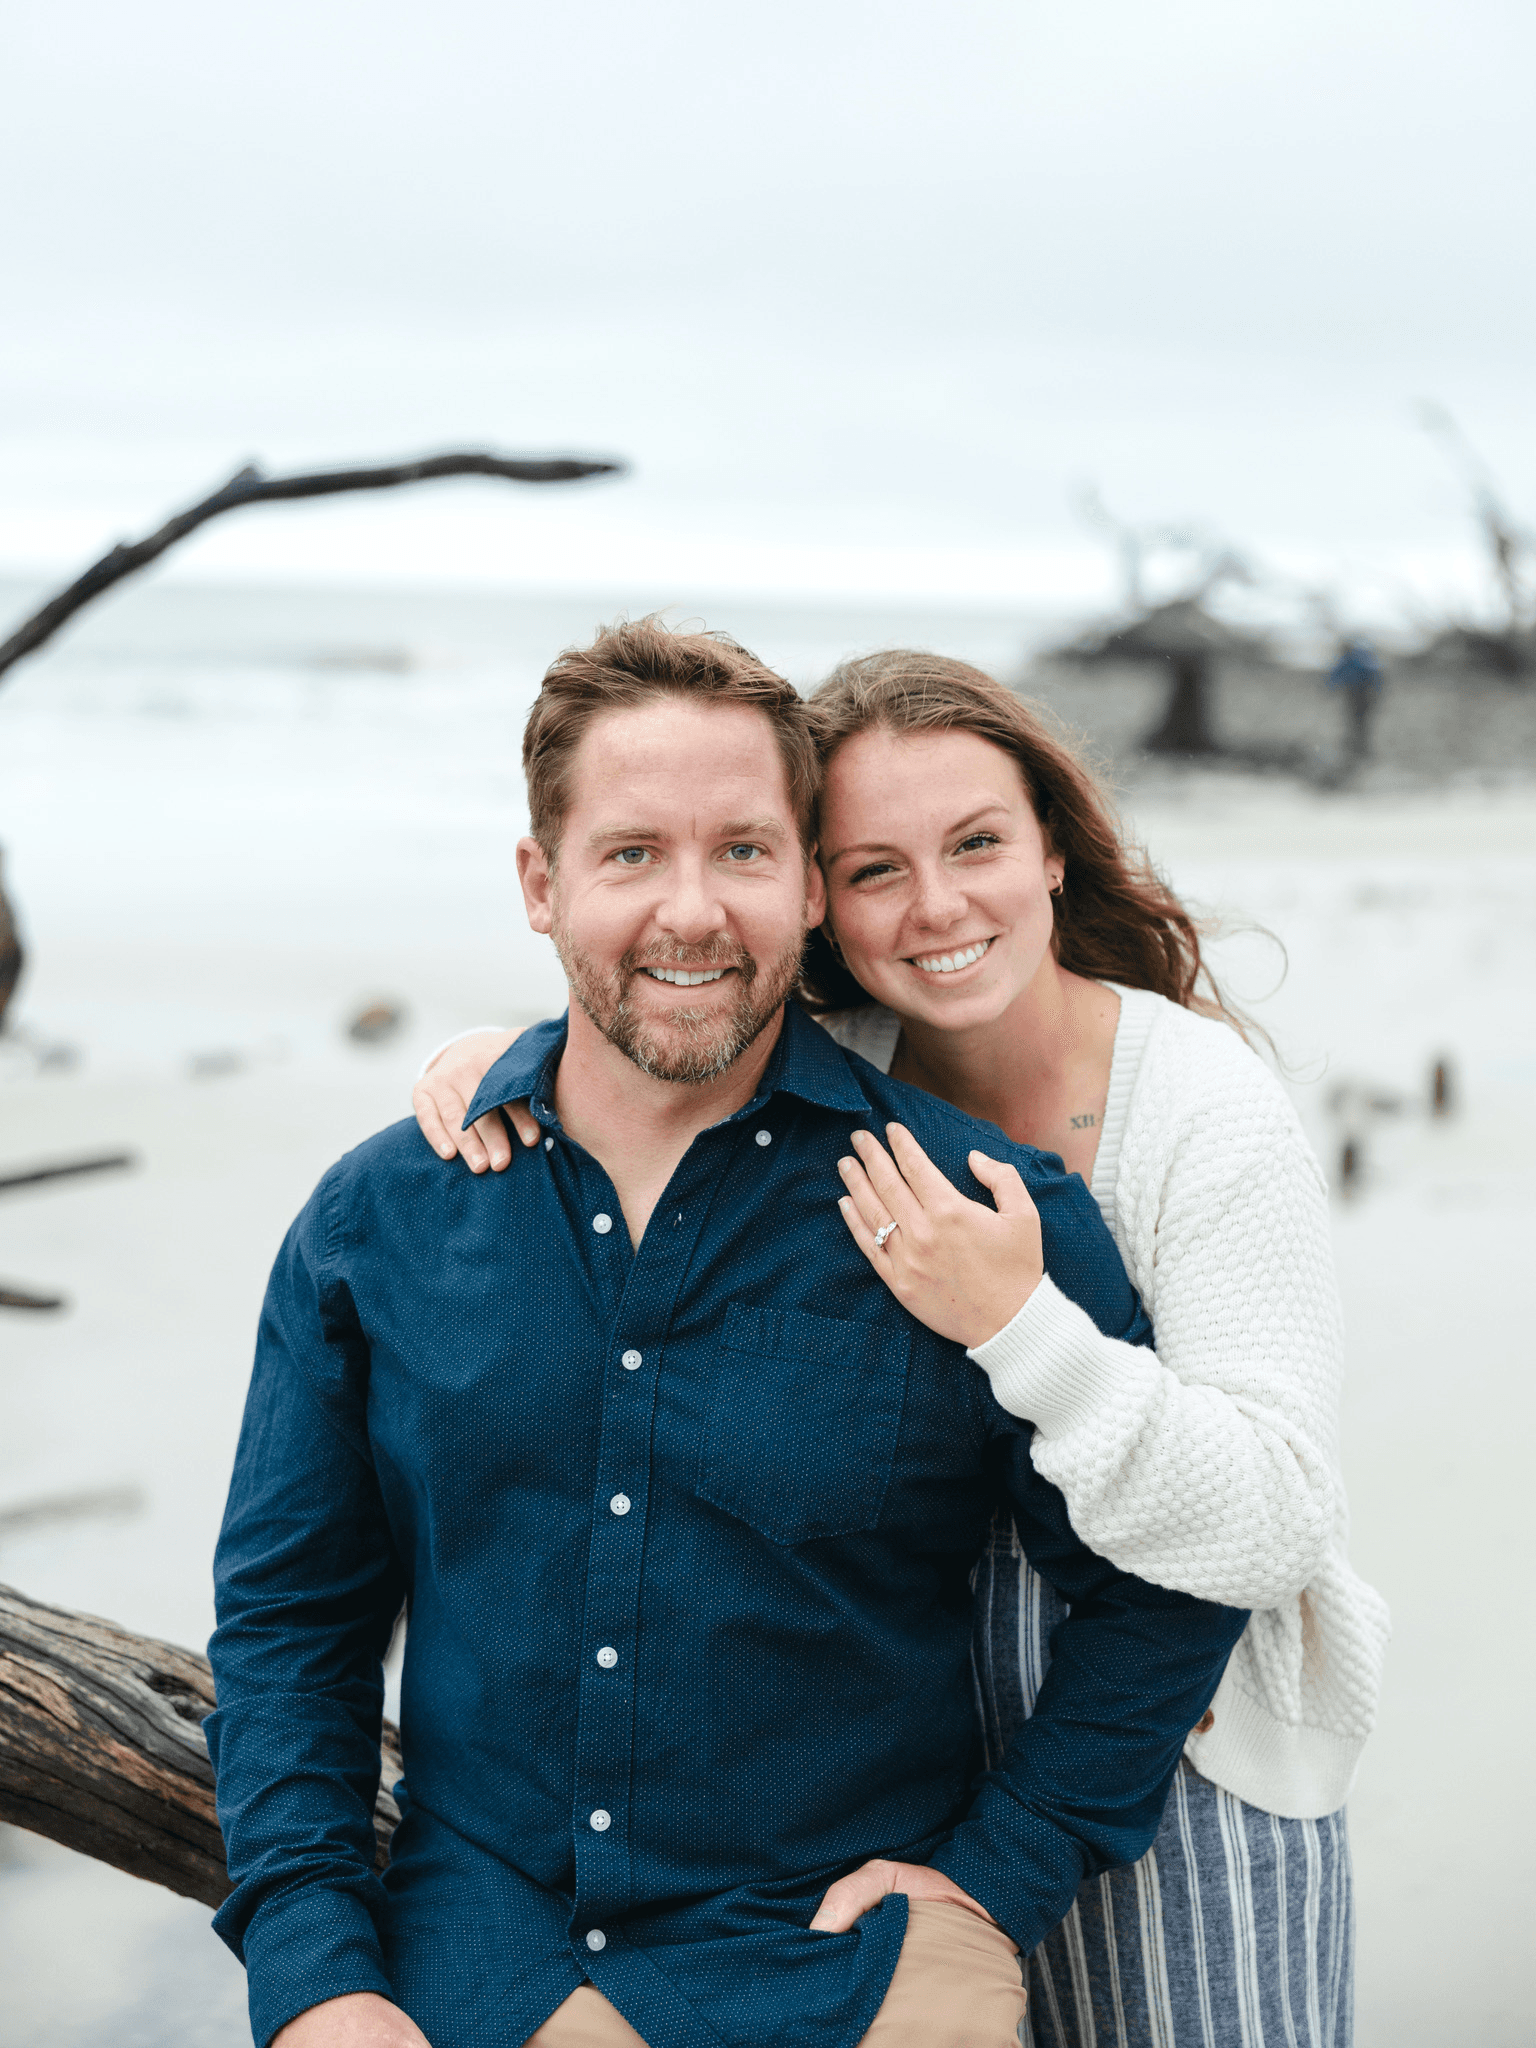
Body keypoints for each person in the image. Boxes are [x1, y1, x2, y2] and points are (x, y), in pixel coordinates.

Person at [209, 622, 1247, 2048]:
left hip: (850, 1971)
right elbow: (290, 1630)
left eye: (744, 852)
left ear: (811, 887)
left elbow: (1169, 1585)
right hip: (475, 1958)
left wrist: (1003, 1875)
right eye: (631, 853)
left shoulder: (976, 1218)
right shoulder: (377, 1222)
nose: (691, 913)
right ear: (540, 883)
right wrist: (315, 1977)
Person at [418, 647, 1389, 2048]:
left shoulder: (1202, 1117)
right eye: (874, 869)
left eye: (977, 844)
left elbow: (1276, 1524)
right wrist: (496, 1064)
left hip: (1185, 1738)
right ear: (820, 902)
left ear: (1053, 849)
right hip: (921, 1749)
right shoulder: (845, 1067)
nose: (936, 906)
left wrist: (1018, 1323)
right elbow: (648, 1010)